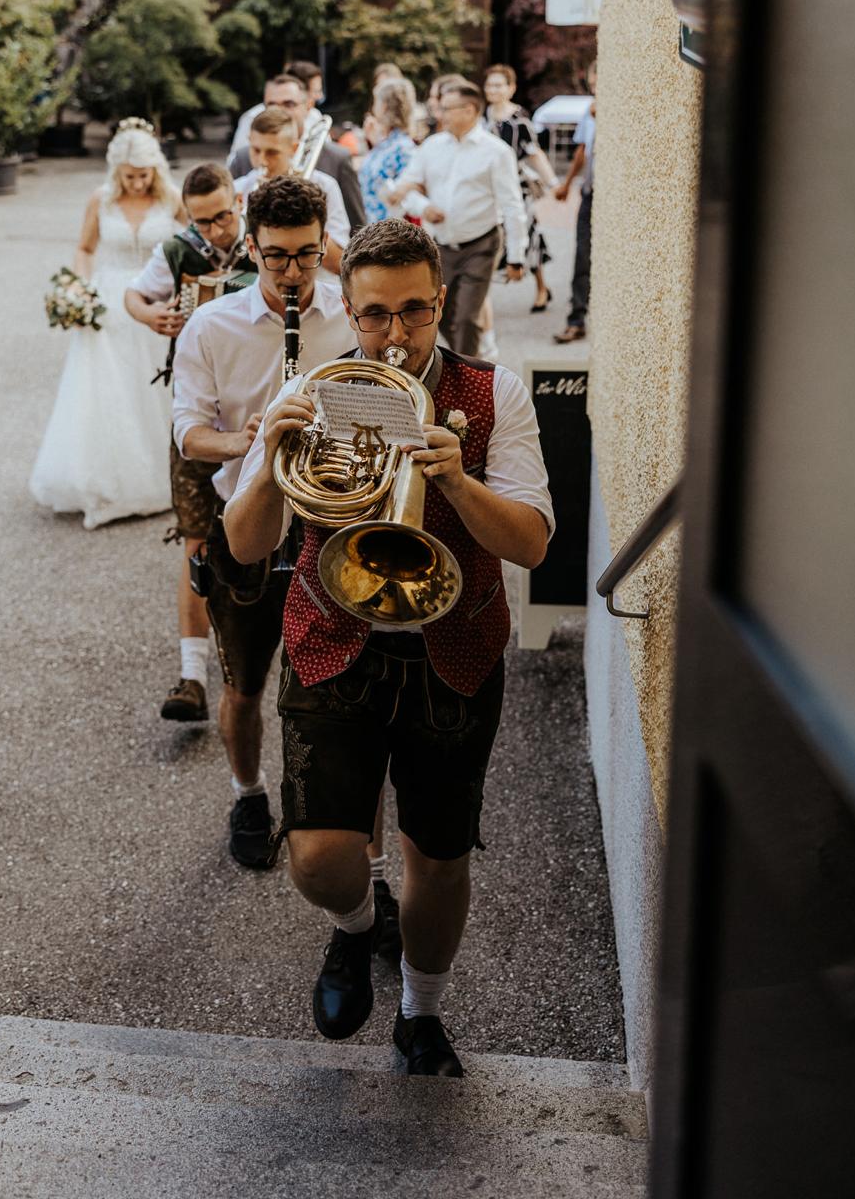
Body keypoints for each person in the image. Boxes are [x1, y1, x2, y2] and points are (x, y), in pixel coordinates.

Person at [224, 219, 553, 1075]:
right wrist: (268, 459)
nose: (396, 334)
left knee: (438, 864)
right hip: (335, 635)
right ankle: (356, 928)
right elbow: (247, 543)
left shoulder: (493, 393)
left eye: (414, 312)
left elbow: (532, 545)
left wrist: (456, 478)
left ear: (440, 301)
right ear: (349, 308)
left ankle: (420, 1010)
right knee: (319, 859)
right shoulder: (317, 390)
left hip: (456, 647)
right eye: (376, 315)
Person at [171, 176, 353, 867]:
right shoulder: (211, 327)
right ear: (251, 247)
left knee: (335, 689)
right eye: (276, 257)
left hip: (330, 524)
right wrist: (248, 442)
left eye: (307, 255)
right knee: (245, 686)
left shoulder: (347, 317)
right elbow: (189, 433)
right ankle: (248, 793)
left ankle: (333, 824)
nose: (293, 274)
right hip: (244, 526)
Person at [124, 164, 252, 724]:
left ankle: (257, 668)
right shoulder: (179, 249)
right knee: (196, 540)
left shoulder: (265, 247)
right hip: (197, 417)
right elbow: (134, 294)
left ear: (237, 202)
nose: (217, 229)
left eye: (224, 214)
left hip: (255, 413)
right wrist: (153, 315)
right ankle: (192, 676)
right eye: (204, 220)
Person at [29, 124, 182, 530]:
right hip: (108, 304)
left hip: (155, 303)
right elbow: (85, 248)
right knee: (106, 394)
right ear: (117, 171)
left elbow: (195, 246)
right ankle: (104, 481)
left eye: (144, 174)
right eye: (130, 175)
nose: (137, 182)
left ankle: (158, 477)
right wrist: (79, 289)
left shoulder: (173, 199)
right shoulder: (101, 200)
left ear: (155, 169)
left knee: (152, 391)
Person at [389, 80, 528, 356]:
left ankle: (467, 375)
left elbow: (512, 205)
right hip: (439, 246)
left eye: (448, 108)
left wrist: (516, 257)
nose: (441, 114)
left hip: (480, 245)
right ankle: (467, 358)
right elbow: (406, 187)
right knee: (440, 313)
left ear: (470, 110)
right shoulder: (431, 146)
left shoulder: (497, 152)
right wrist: (424, 206)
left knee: (466, 317)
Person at [231, 72, 366, 232]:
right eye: (271, 104)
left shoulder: (337, 159)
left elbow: (357, 227)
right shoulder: (243, 157)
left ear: (308, 106)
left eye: (288, 104)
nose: (278, 111)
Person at [235, 108, 350, 273]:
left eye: (272, 152)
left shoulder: (325, 186)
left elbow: (339, 263)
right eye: (256, 150)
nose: (262, 161)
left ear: (294, 148)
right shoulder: (239, 188)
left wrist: (306, 211)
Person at [484, 65, 556, 313]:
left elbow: (534, 153)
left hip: (516, 189)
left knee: (529, 235)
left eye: (499, 85)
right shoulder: (482, 118)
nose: (493, 89)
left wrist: (554, 184)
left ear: (511, 88)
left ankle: (541, 288)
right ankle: (483, 298)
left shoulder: (519, 120)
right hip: (487, 191)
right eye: (490, 85)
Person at [553, 64, 597, 344]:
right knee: (582, 255)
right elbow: (582, 150)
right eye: (593, 75)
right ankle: (577, 318)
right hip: (589, 193)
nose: (595, 81)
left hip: (610, 198)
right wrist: (567, 184)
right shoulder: (589, 110)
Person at [358, 76, 417, 223]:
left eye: (375, 102)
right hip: (370, 225)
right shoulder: (388, 143)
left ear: (384, 106)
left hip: (388, 232)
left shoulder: (403, 148)